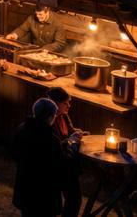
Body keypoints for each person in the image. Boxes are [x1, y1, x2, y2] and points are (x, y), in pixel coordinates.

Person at [12, 98, 64, 217]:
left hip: (25, 188)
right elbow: (58, 165)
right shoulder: (50, 140)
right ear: (50, 117)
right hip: (45, 194)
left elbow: (15, 153)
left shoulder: (22, 129)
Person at [46, 87, 84, 217]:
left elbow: (70, 130)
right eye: (65, 103)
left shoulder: (64, 116)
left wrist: (78, 133)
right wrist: (71, 140)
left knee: (75, 198)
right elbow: (53, 146)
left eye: (69, 102)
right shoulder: (49, 121)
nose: (69, 106)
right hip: (58, 165)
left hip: (67, 161)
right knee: (73, 198)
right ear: (55, 103)